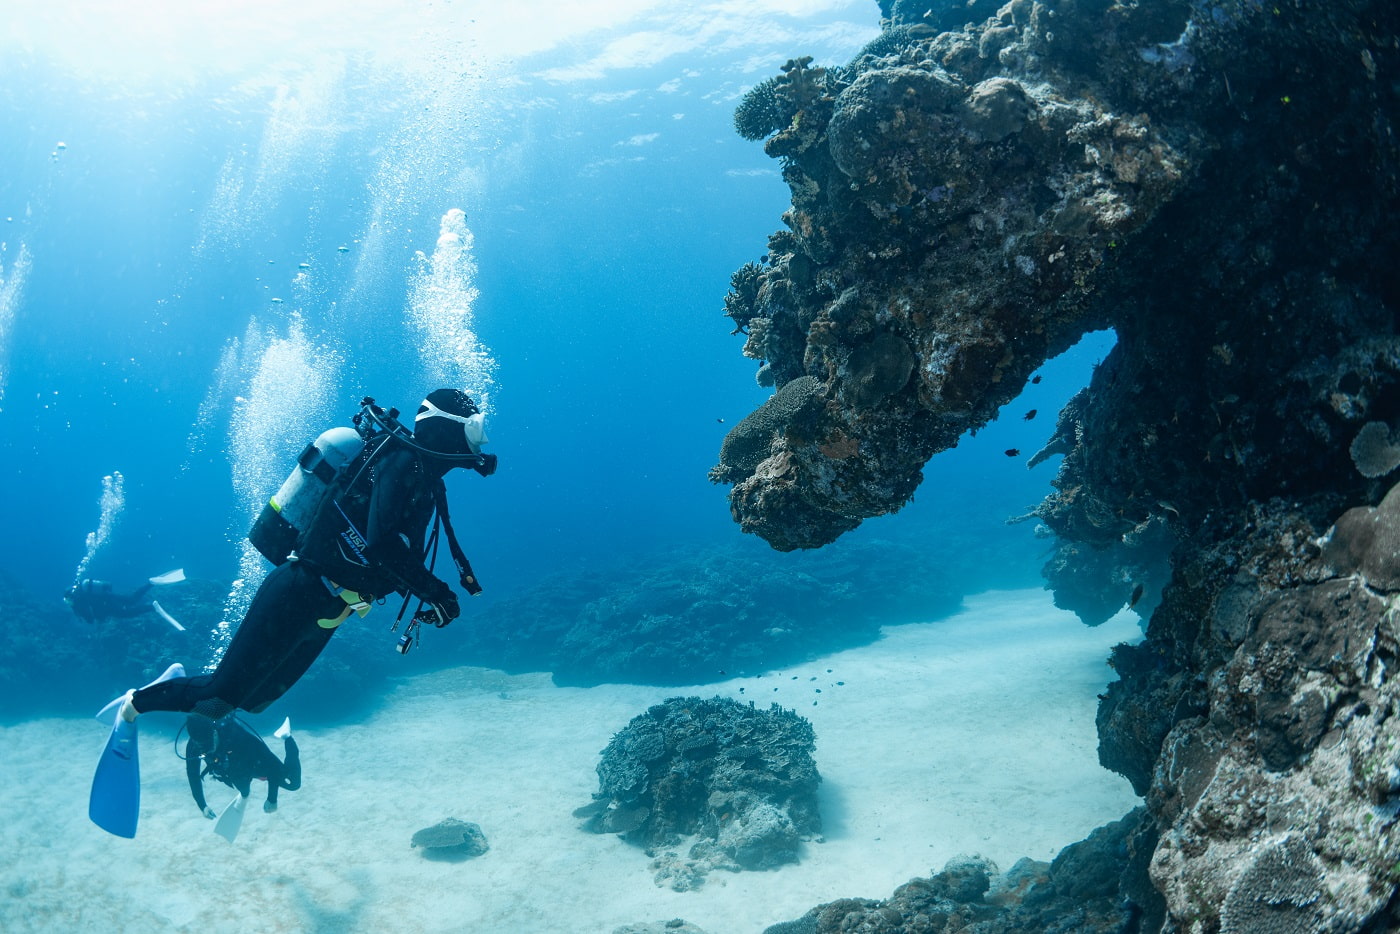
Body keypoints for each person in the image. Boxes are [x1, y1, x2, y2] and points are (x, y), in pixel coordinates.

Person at [117, 389, 497, 724]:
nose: (478, 443)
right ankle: (136, 703)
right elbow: (381, 545)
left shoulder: (426, 483)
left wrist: (432, 595)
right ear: (446, 427)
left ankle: (177, 691)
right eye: (473, 429)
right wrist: (437, 593)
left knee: (254, 702)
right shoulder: (399, 460)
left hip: (335, 607)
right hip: (301, 589)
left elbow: (394, 555)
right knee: (220, 697)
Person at [184, 714, 300, 815]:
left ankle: (287, 736)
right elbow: (193, 775)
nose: (206, 750)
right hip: (234, 770)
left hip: (255, 762)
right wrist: (202, 806)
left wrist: (272, 799)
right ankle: (245, 793)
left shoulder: (238, 735)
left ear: (214, 732)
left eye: (208, 744)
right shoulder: (194, 745)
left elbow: (273, 767)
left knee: (293, 784)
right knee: (243, 790)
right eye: (201, 746)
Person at [65, 569, 186, 629]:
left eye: (67, 601)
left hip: (106, 603)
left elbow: (90, 619)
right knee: (131, 600)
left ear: (70, 597)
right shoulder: (80, 598)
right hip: (107, 597)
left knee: (127, 612)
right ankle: (151, 584)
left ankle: (152, 606)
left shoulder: (77, 604)